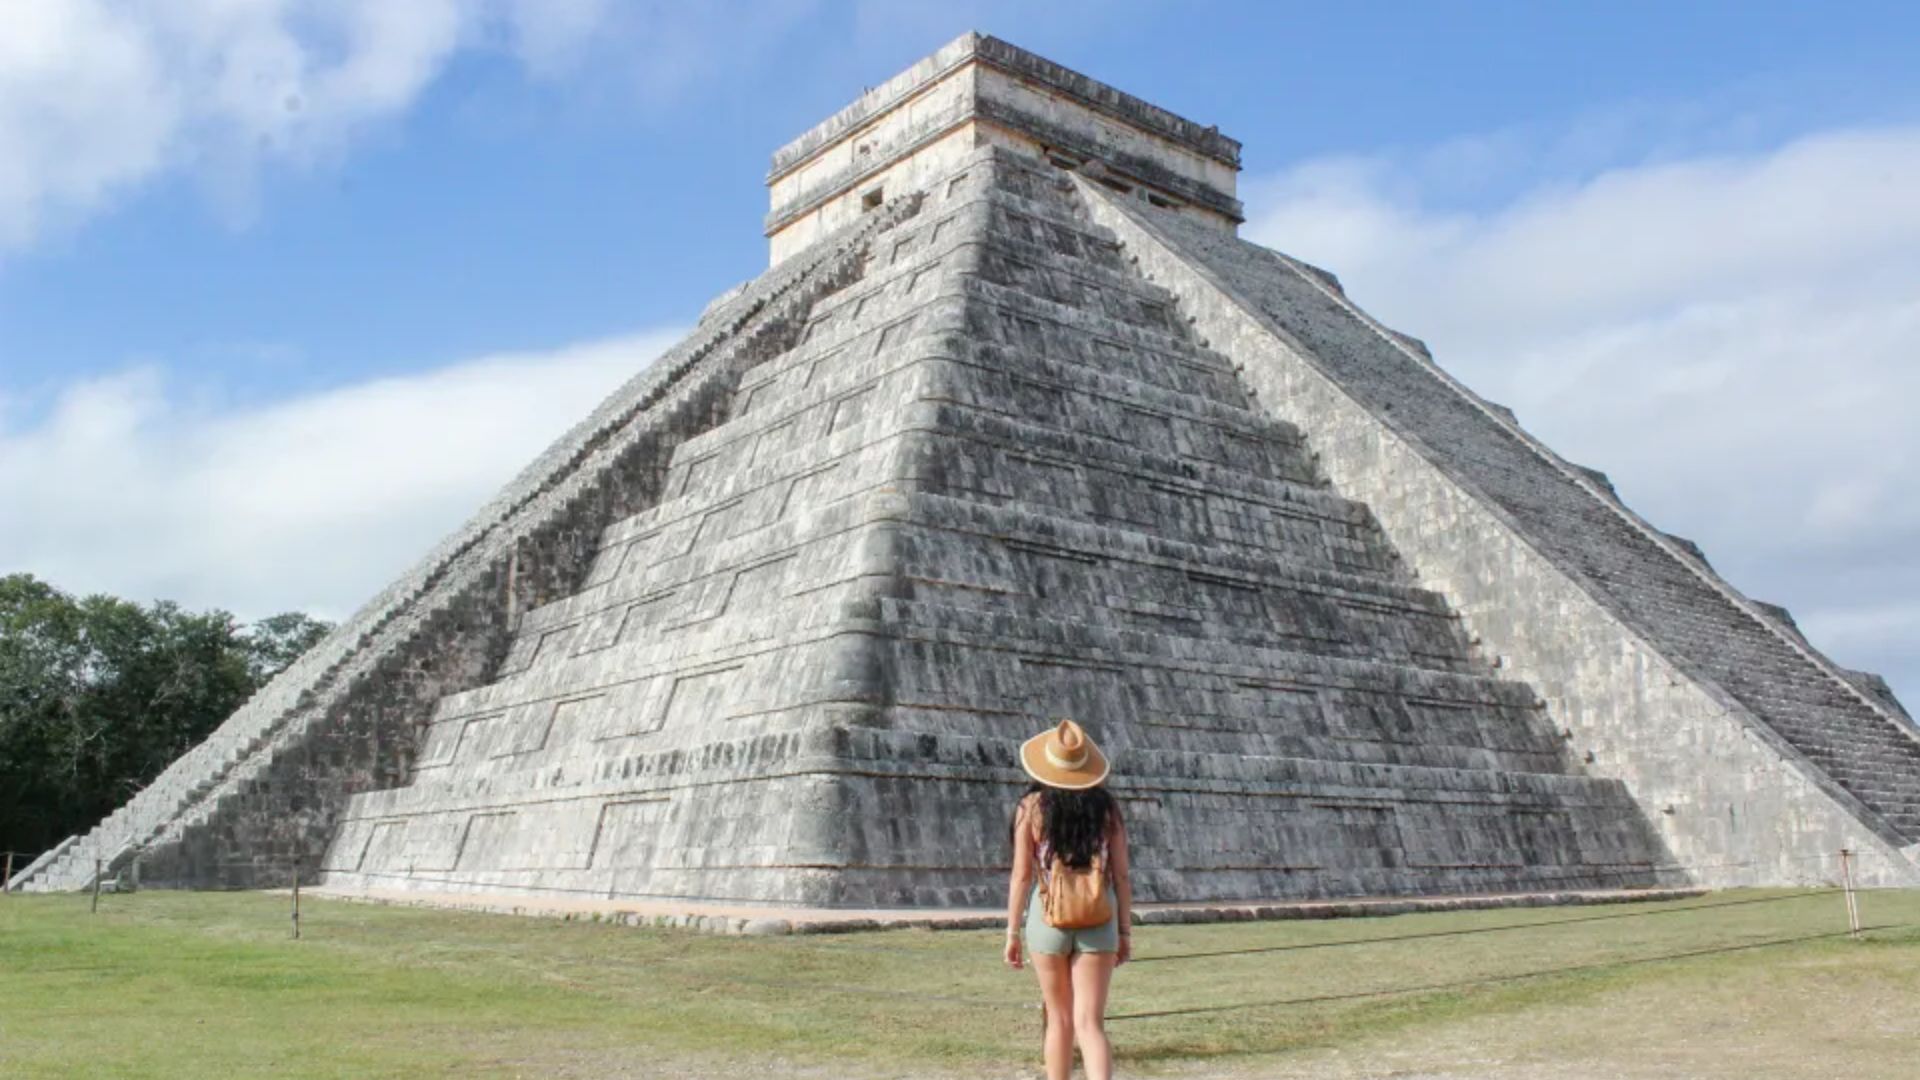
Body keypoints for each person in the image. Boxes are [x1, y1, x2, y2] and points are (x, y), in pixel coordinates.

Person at [1004, 719, 1133, 1080]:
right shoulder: (1107, 809)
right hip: (1099, 918)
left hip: (1048, 919)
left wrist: (1012, 933)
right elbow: (1121, 875)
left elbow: (1021, 875)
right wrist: (1124, 932)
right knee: (1090, 1024)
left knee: (1058, 1020)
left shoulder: (1030, 807)